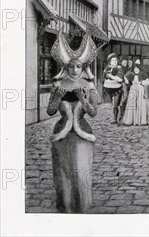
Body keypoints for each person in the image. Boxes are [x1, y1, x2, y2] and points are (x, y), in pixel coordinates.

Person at [46, 30, 99, 213]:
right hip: (61, 134)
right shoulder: (58, 85)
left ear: (82, 67)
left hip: (83, 134)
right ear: (66, 67)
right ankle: (65, 210)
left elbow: (93, 113)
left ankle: (82, 210)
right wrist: (56, 97)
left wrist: (83, 100)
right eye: (71, 66)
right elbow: (51, 110)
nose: (75, 70)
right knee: (63, 173)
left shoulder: (89, 85)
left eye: (78, 66)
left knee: (81, 173)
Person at [122, 61, 149, 126]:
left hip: (140, 90)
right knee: (132, 103)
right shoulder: (131, 74)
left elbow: (147, 82)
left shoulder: (142, 74)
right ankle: (130, 120)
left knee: (141, 103)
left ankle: (141, 120)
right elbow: (125, 77)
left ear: (139, 69)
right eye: (135, 68)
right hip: (133, 89)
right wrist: (127, 81)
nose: (136, 70)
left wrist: (142, 83)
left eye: (137, 68)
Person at [103, 53, 124, 123]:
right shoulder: (107, 68)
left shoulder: (119, 69)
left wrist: (111, 77)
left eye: (115, 60)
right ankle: (114, 117)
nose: (114, 62)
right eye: (112, 60)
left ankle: (116, 118)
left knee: (115, 105)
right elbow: (104, 76)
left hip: (116, 88)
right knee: (112, 105)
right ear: (110, 61)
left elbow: (120, 79)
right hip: (108, 88)